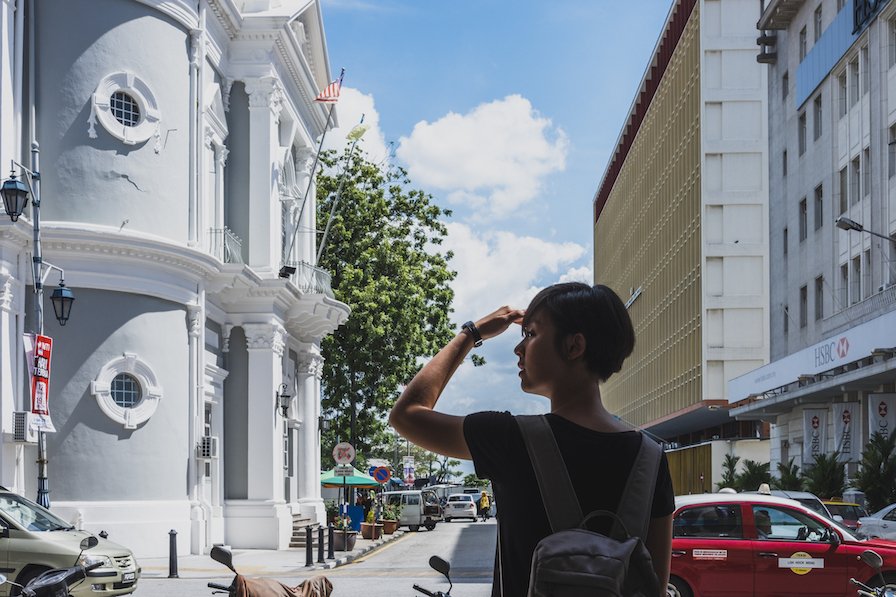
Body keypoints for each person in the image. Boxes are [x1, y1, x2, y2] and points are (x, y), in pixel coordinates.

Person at [389, 282, 674, 597]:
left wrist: (472, 333)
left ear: (573, 346)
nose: (518, 348)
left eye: (531, 334)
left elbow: (406, 414)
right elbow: (656, 585)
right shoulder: (651, 456)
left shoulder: (509, 438)